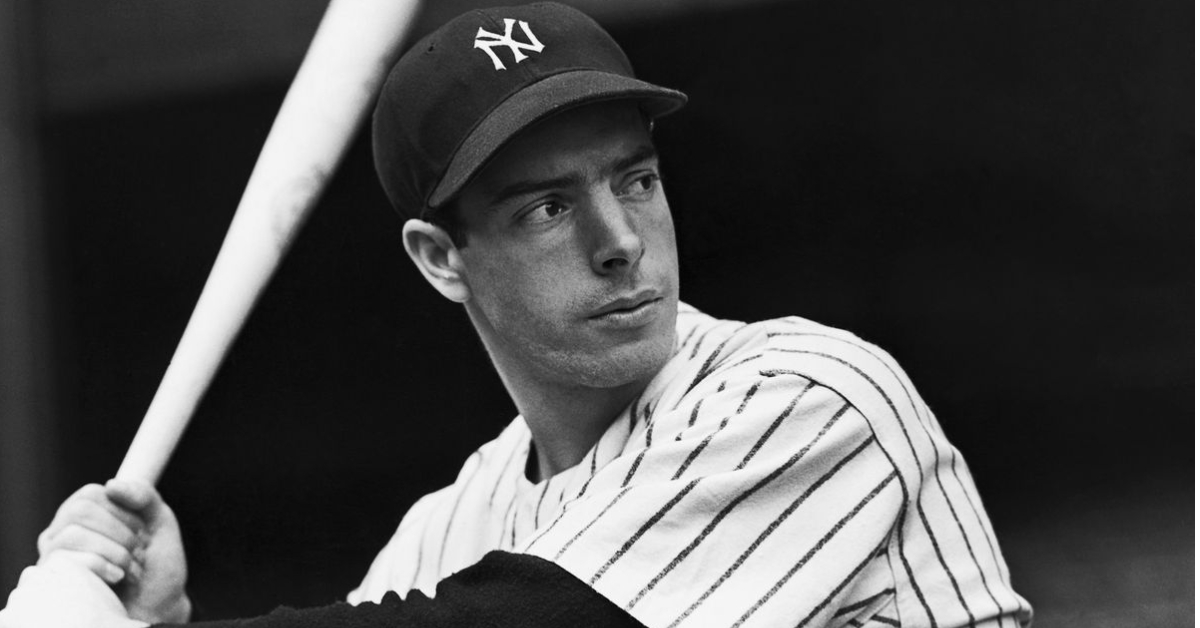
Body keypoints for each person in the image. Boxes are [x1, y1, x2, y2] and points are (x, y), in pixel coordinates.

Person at [1, 3, 1033, 627]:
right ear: (443, 260)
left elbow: (544, 625)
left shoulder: (811, 398)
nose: (619, 237)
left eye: (634, 179)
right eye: (548, 207)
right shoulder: (451, 531)